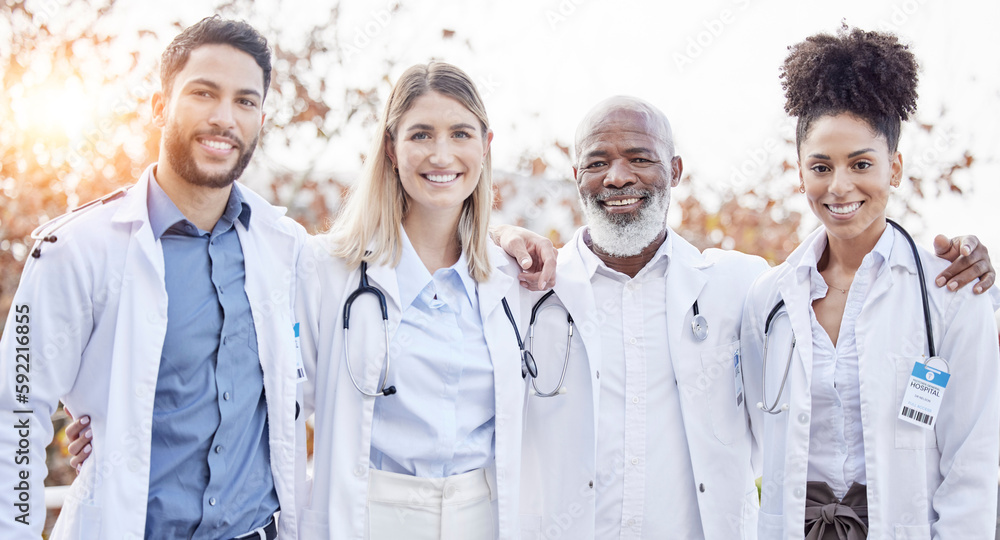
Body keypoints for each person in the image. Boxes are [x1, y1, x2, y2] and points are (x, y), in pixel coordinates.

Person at [516, 95, 996, 539]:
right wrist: (500, 236)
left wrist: (971, 258)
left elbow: (973, 460)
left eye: (640, 158)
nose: (618, 177)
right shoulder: (526, 289)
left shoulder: (743, 285)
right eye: (821, 166)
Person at [0, 16, 307, 540]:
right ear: (160, 106)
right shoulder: (75, 250)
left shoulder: (287, 247)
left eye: (245, 101)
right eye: (203, 93)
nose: (224, 118)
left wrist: (500, 241)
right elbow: (14, 414)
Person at [740, 26, 999, 539]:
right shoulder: (767, 299)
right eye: (820, 166)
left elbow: (972, 462)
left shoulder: (950, 292)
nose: (839, 187)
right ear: (799, 173)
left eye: (862, 163)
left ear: (895, 167)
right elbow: (751, 431)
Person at [294, 62, 526, 540]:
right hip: (369, 518)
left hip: (483, 518)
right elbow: (280, 410)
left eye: (460, 133)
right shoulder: (328, 272)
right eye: (421, 135)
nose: (441, 155)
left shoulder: (514, 279)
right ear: (391, 150)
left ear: (485, 147)